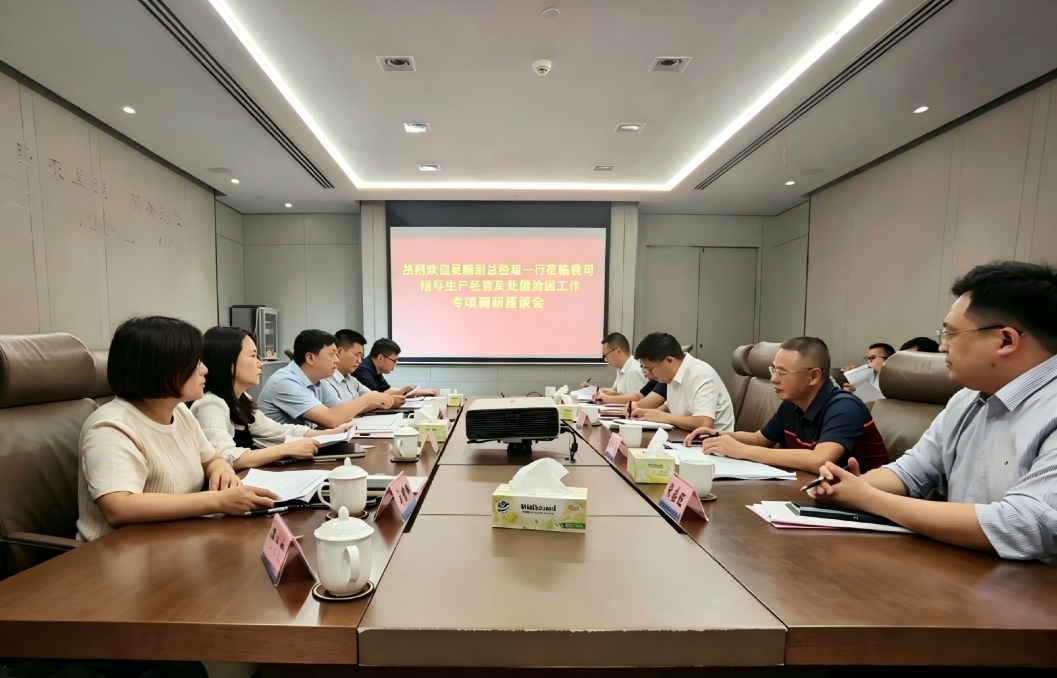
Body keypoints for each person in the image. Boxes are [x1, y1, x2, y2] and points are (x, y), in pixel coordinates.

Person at [810, 261, 1057, 564]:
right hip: (961, 566)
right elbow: (913, 470)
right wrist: (846, 487)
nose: (942, 347)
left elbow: (1025, 525)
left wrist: (867, 497)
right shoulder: (966, 399)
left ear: (1005, 340)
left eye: (951, 334)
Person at [77, 316, 279, 542]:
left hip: (177, 538)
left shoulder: (179, 411)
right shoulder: (111, 425)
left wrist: (221, 470)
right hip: (117, 551)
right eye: (195, 362)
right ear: (161, 368)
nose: (205, 369)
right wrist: (218, 501)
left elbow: (212, 459)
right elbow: (119, 508)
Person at [683, 336, 889, 474]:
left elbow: (819, 460)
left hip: (865, 504)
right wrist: (717, 435)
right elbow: (760, 439)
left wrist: (742, 451)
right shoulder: (792, 402)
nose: (774, 379)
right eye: (773, 370)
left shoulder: (845, 406)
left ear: (814, 376)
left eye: (782, 372)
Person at [191, 327, 354, 469]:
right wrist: (287, 449)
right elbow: (224, 457)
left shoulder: (242, 398)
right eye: (253, 356)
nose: (260, 363)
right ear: (228, 361)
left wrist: (329, 434)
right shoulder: (211, 404)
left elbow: (274, 430)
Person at [258, 329, 394, 428]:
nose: (337, 360)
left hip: (302, 448)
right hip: (278, 455)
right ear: (310, 358)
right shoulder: (285, 382)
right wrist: (370, 398)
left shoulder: (318, 381)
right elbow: (331, 419)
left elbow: (341, 412)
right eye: (332, 355)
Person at [628, 332, 735, 431]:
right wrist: (645, 414)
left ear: (669, 360)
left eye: (651, 369)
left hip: (711, 442)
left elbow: (704, 423)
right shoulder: (672, 375)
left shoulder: (701, 375)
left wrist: (661, 416)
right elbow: (670, 407)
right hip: (685, 436)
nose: (650, 375)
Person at [353, 337, 436, 397]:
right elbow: (376, 398)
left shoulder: (374, 368)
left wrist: (412, 392)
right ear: (381, 358)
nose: (394, 364)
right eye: (394, 361)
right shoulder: (363, 371)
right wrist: (401, 394)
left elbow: (386, 390)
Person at [322, 329, 384, 404]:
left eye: (361, 356)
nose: (360, 361)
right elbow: (340, 409)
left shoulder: (352, 380)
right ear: (339, 352)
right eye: (357, 355)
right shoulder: (324, 381)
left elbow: (374, 397)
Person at [581, 332, 648, 397]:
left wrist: (605, 398)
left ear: (618, 352)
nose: (606, 359)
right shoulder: (622, 368)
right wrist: (593, 389)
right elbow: (616, 391)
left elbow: (635, 399)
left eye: (606, 355)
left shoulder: (634, 371)